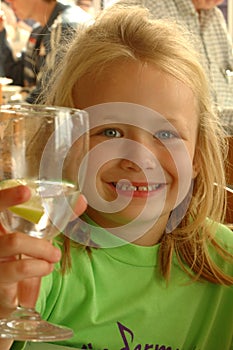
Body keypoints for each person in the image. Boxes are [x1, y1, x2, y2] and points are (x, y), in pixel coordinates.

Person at [0, 4, 233, 350]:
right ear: (67, 145)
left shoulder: (224, 264)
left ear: (197, 156)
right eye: (110, 132)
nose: (139, 159)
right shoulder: (40, 257)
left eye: (167, 134)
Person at [111, 0, 233, 134]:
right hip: (175, 133)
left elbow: (228, 66)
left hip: (221, 133)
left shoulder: (215, 16)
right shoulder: (147, 7)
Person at [0, 0, 91, 102]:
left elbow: (48, 94)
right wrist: (1, 31)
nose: (9, 2)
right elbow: (18, 78)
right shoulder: (39, 30)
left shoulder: (65, 26)